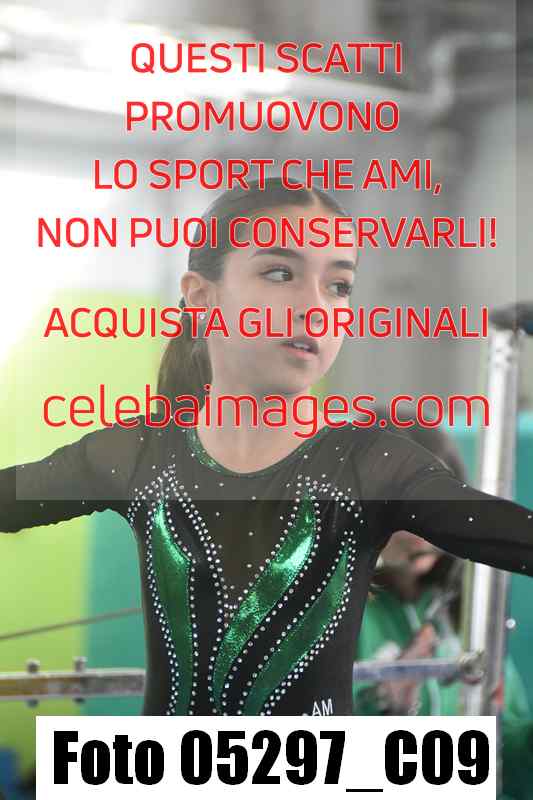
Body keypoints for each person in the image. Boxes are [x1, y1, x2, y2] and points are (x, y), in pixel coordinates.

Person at [2, 178, 533, 718]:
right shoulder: (139, 455)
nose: (316, 307)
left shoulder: (371, 467)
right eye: (280, 273)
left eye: (339, 286)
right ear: (201, 295)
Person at [351, 410, 533, 798]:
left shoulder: (469, 611)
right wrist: (384, 714)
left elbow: (505, 759)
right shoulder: (325, 613)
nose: (424, 529)